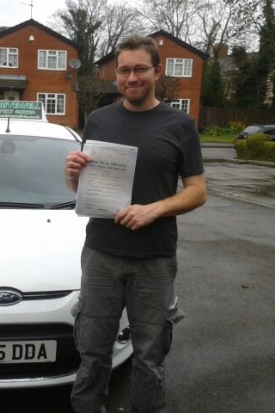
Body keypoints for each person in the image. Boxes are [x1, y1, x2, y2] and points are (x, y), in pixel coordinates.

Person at [64, 35, 207, 413]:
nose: (131, 77)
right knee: (93, 353)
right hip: (101, 255)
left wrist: (154, 209)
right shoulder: (99, 120)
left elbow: (197, 191)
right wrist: (72, 175)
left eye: (140, 69)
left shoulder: (180, 125)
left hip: (154, 259)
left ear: (157, 71)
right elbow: (84, 189)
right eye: (124, 71)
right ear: (116, 76)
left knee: (149, 357)